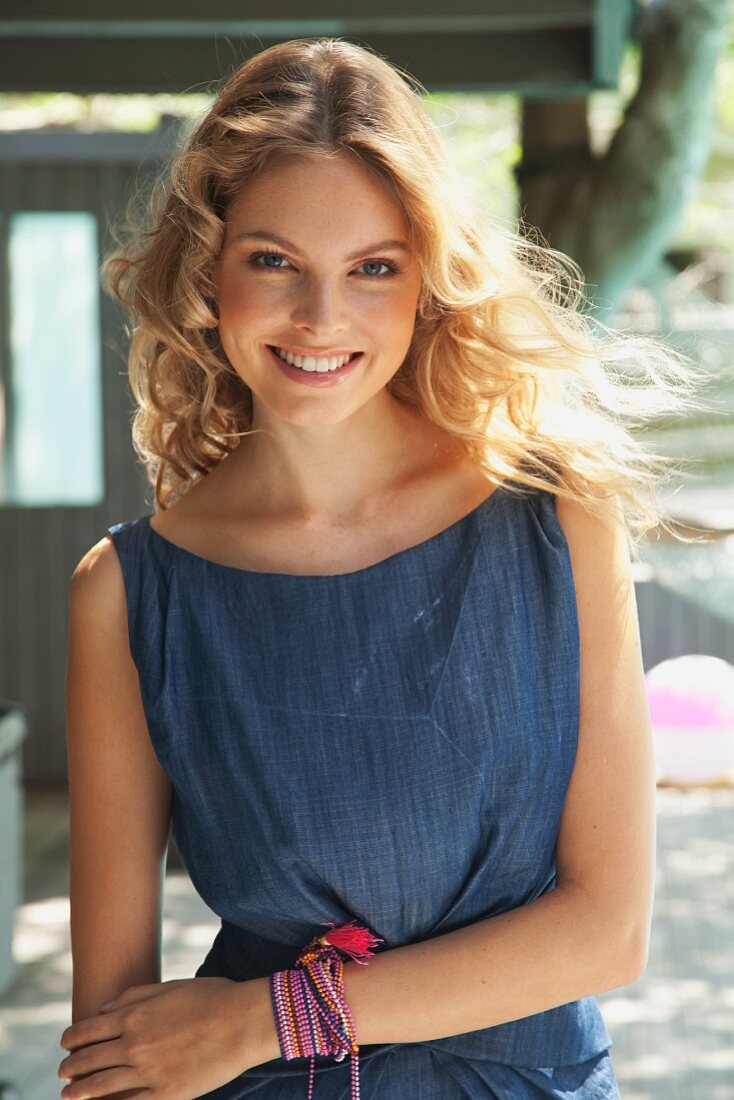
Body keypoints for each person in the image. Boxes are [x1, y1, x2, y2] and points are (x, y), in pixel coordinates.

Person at [59, 36, 704, 1100]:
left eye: (372, 268)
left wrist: (267, 1017)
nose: (322, 317)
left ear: (425, 282)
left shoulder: (553, 517)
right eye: (273, 260)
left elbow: (608, 930)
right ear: (207, 271)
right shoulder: (129, 592)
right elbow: (115, 1042)